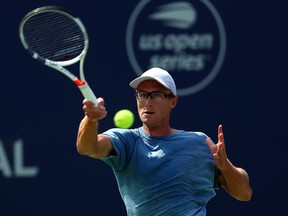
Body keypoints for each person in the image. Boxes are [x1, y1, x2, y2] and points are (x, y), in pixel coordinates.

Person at [76, 67, 252, 216]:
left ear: (173, 102)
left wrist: (224, 165)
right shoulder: (126, 141)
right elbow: (88, 147)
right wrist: (91, 119)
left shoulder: (200, 142)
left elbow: (244, 193)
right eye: (142, 95)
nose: (148, 102)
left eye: (157, 95)